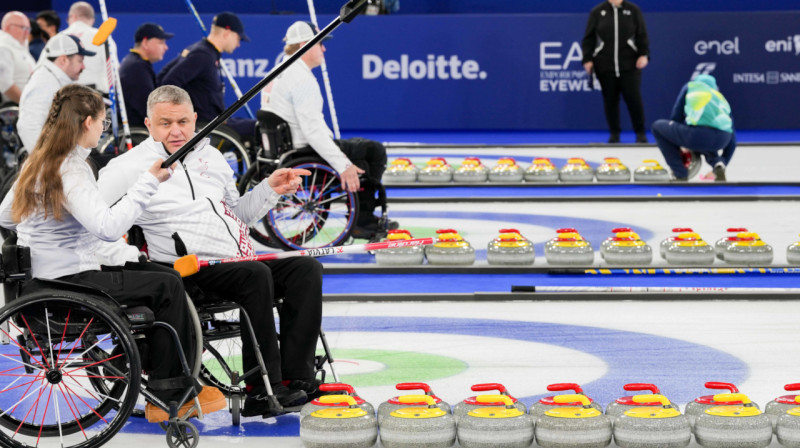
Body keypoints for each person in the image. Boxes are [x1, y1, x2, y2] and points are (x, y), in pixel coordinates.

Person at [0, 83, 226, 423]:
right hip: (67, 280)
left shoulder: (39, 160)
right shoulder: (70, 169)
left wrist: (49, 227)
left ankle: (143, 362)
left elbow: (6, 217)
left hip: (43, 277)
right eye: (103, 123)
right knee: (167, 286)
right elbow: (106, 227)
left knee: (163, 275)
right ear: (87, 122)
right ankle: (170, 390)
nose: (103, 130)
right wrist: (148, 183)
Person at [97, 85, 323, 416]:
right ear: (148, 124)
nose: (176, 131)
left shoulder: (212, 156)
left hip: (233, 260)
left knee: (305, 268)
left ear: (194, 119)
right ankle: (262, 390)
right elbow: (96, 219)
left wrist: (269, 189)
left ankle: (297, 377)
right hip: (185, 270)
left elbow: (239, 214)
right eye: (165, 123)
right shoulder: (127, 167)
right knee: (255, 274)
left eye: (183, 122)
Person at [263, 21, 393, 239]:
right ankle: (363, 220)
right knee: (374, 151)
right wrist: (343, 165)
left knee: (360, 149)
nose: (324, 49)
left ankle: (362, 215)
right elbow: (313, 131)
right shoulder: (300, 79)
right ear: (305, 45)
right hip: (305, 151)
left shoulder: (278, 71)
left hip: (286, 149)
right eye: (320, 44)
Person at [157, 12, 255, 138]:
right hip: (208, 126)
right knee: (257, 127)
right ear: (227, 33)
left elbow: (163, 76)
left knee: (256, 125)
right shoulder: (203, 55)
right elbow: (167, 83)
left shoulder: (202, 51)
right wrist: (182, 117)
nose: (238, 44)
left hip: (215, 121)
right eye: (238, 38)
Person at [581, 0, 650, 144]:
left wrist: (644, 54)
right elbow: (589, 38)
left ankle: (640, 133)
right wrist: (587, 59)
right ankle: (614, 134)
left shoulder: (633, 10)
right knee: (610, 100)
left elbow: (641, 34)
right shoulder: (597, 11)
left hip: (630, 64)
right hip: (605, 65)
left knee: (634, 99)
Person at [651, 74, 735, 182]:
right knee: (705, 140)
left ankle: (680, 174)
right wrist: (725, 161)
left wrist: (679, 142)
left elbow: (676, 117)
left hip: (697, 135)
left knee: (657, 127)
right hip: (723, 139)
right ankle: (718, 164)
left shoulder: (690, 87)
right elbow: (733, 141)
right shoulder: (721, 99)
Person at [17, 33, 89, 151]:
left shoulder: (53, 79)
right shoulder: (44, 84)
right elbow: (28, 128)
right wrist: (47, 160)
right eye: (80, 61)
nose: (83, 67)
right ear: (63, 60)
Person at [120, 23, 174, 128]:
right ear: (145, 43)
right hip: (138, 130)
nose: (166, 47)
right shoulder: (137, 68)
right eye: (161, 42)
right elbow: (148, 108)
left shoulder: (136, 63)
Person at [63, 1, 108, 94]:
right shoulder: (102, 36)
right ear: (92, 20)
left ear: (73, 16)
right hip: (96, 95)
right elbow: (112, 70)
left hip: (66, 95)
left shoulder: (58, 38)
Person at [0, 11, 36, 104]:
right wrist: (27, 104)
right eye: (23, 28)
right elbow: (5, 84)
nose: (27, 32)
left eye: (29, 28)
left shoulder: (19, 46)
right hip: (17, 107)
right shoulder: (3, 48)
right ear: (8, 27)